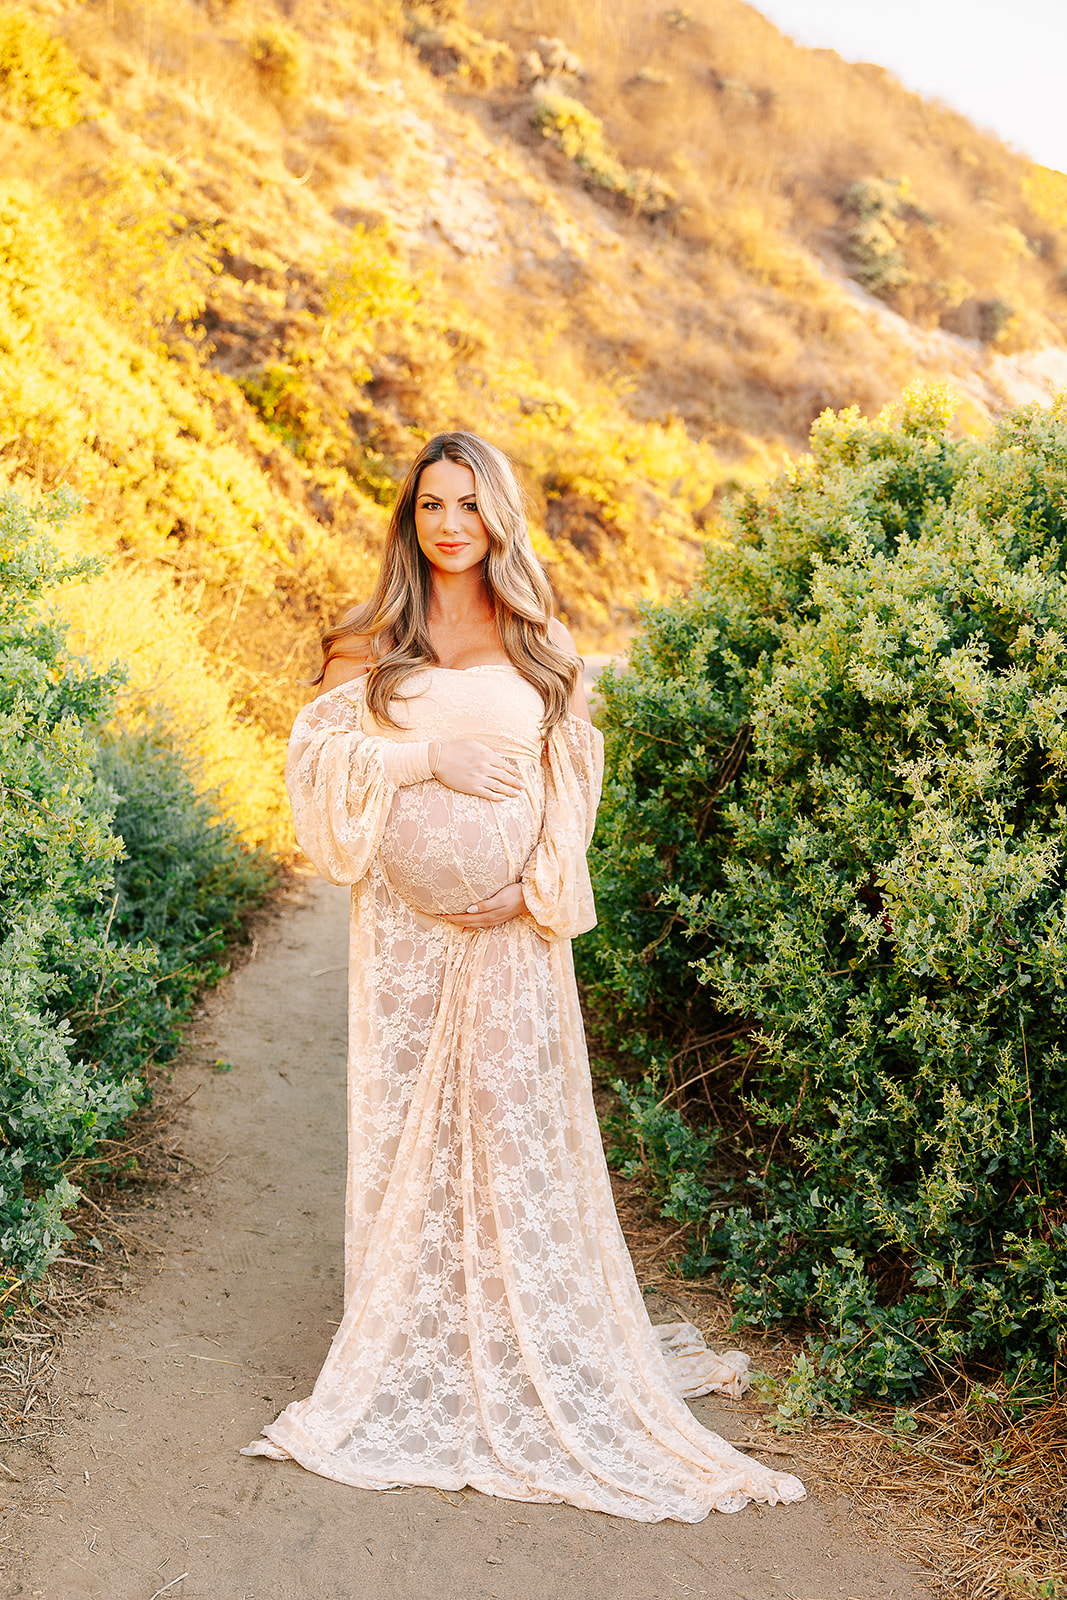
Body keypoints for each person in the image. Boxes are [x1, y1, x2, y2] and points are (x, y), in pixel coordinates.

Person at [241, 431, 805, 1521]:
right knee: (412, 1126)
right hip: (408, 940)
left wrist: (531, 889)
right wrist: (423, 759)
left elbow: (568, 782)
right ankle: (422, 1332)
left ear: (497, 516)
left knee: (508, 1123)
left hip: (506, 936)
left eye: (466, 504)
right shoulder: (373, 637)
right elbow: (314, 766)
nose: (448, 524)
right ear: (409, 520)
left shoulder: (537, 636)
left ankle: (521, 1335)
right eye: (429, 505)